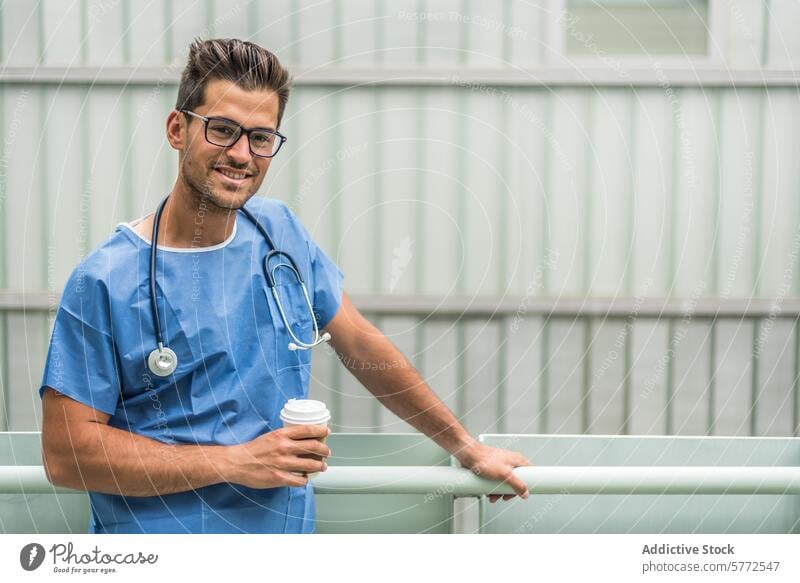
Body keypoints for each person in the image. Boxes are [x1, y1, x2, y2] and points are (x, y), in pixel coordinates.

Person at [39, 38, 531, 534]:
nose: (241, 154)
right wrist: (233, 461)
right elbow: (66, 455)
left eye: (260, 137)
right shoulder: (104, 281)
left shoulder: (279, 234)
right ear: (177, 128)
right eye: (223, 130)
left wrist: (466, 447)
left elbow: (361, 343)